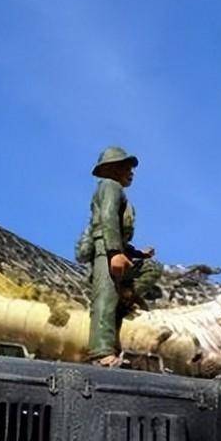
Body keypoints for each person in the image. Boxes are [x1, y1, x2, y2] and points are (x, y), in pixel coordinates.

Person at [75, 146, 156, 365]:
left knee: (151, 269)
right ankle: (101, 352)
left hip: (115, 248)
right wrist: (114, 253)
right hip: (106, 250)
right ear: (112, 168)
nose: (131, 172)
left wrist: (136, 253)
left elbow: (117, 231)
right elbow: (108, 218)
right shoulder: (110, 186)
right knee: (105, 297)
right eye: (126, 167)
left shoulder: (116, 190)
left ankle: (124, 300)